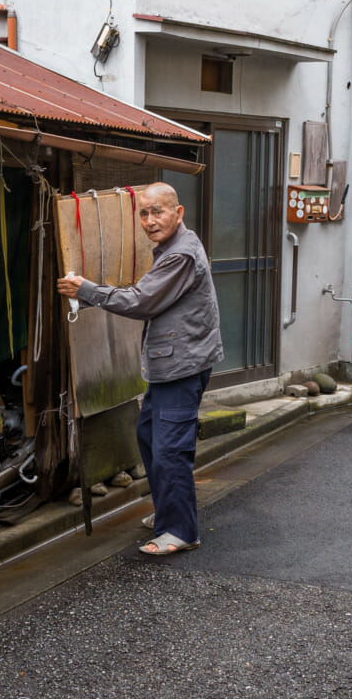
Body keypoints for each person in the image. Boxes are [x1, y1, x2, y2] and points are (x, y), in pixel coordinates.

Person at [57, 182, 223, 556]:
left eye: (158, 211)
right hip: (173, 364)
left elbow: (143, 300)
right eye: (144, 213)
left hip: (182, 366)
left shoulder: (180, 255)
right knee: (150, 437)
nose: (149, 220)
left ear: (178, 213)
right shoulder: (173, 248)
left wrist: (86, 290)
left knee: (169, 449)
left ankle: (181, 530)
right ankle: (169, 512)